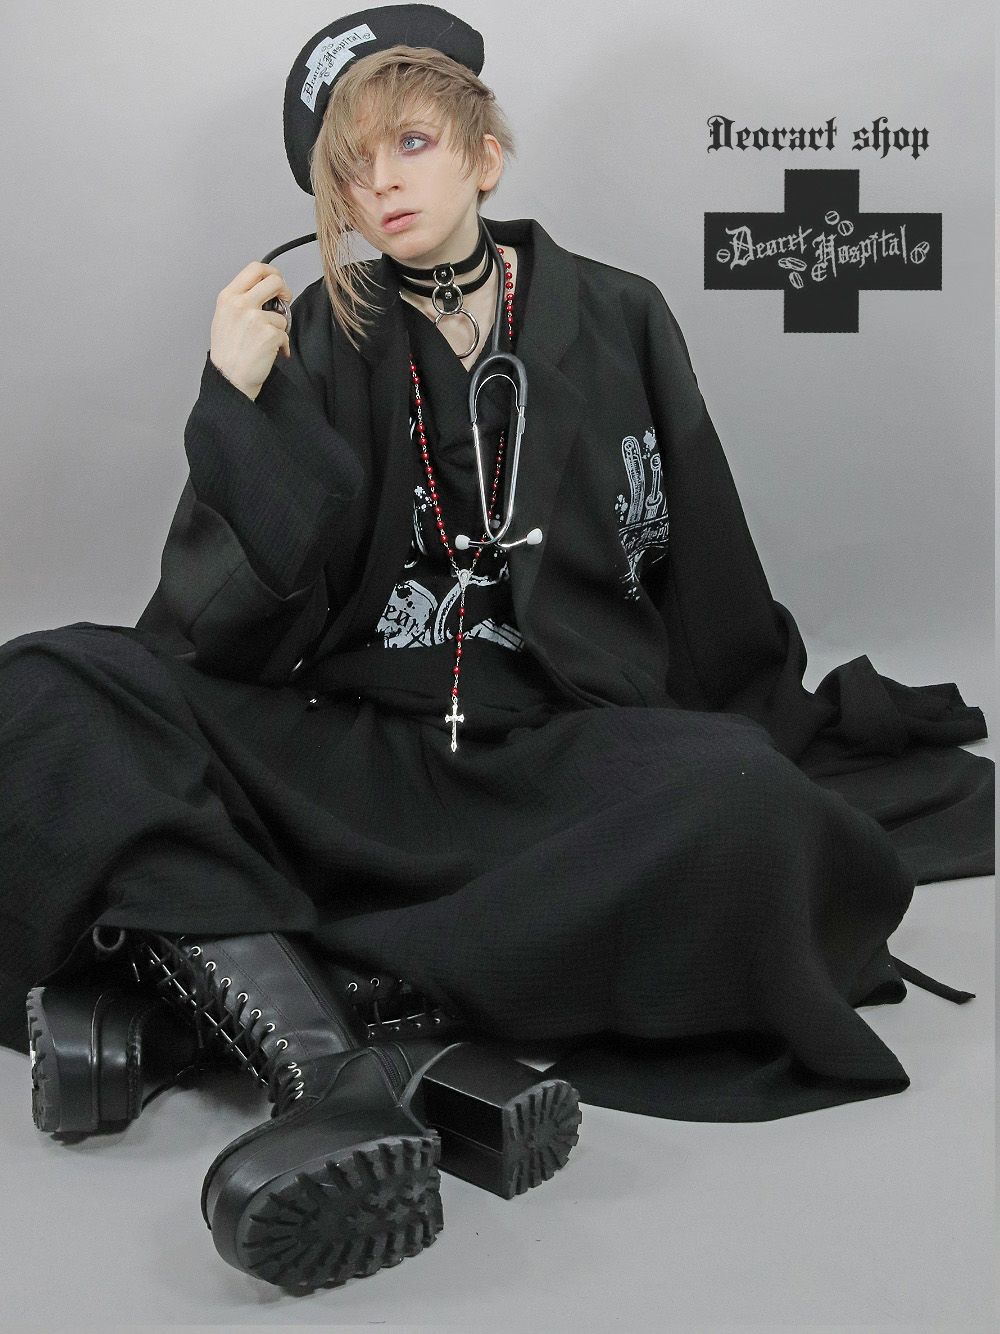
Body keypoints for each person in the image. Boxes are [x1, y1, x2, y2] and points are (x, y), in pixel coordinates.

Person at [0, 3, 993, 1295]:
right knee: (45, 685)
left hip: (551, 756)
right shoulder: (321, 334)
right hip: (355, 752)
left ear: (486, 153)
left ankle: (199, 1017)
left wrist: (753, 732)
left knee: (749, 801)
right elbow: (207, 638)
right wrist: (236, 408)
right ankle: (342, 1067)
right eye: (351, 168)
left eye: (411, 143)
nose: (382, 184)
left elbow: (709, 582)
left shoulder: (622, 314)